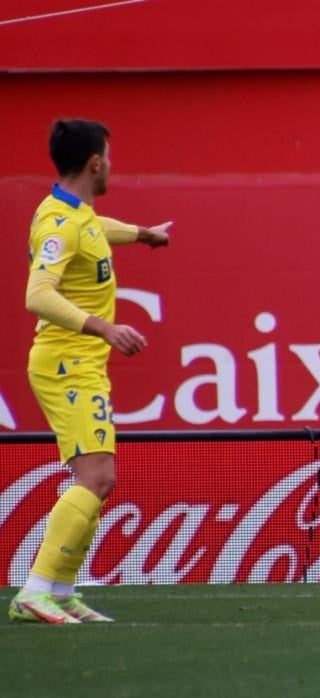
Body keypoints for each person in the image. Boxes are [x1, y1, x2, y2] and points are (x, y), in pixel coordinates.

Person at [10, 118, 171, 624]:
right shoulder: (58, 223)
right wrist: (103, 327)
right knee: (96, 477)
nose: (112, 167)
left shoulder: (76, 214)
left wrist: (143, 235)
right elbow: (37, 294)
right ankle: (34, 591)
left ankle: (59, 590)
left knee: (98, 479)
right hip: (66, 363)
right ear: (95, 162)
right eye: (109, 157)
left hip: (82, 365)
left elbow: (97, 229)